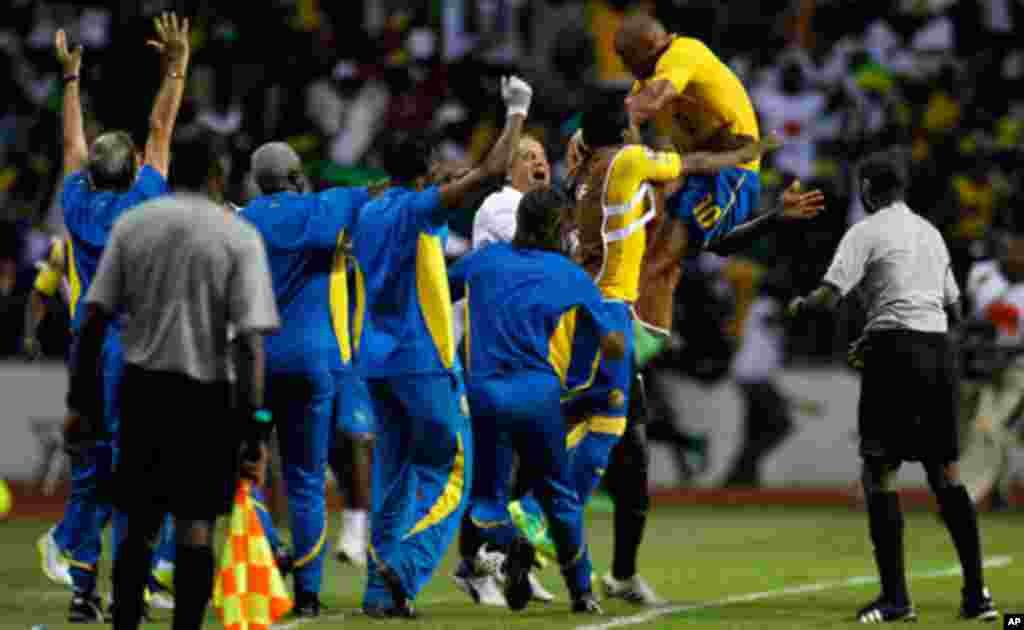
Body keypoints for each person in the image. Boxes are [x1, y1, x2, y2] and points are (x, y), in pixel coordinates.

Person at [787, 149, 999, 623]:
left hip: (896, 354)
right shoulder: (931, 234)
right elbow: (954, 309)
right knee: (947, 474)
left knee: (879, 471)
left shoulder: (865, 231)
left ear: (866, 190)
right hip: (939, 352)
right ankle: (978, 596)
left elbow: (827, 299)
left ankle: (896, 599)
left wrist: (799, 307)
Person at [347, 76, 533, 619]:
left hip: (378, 361)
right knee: (452, 469)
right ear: (426, 172)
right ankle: (401, 573)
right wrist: (516, 111)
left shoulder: (370, 210)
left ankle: (379, 594)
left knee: (396, 479)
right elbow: (491, 174)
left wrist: (444, 174)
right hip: (421, 361)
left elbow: (455, 179)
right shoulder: (413, 211)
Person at [43, 14, 189, 622]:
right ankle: (133, 583)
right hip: (142, 347)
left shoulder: (76, 202)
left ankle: (83, 591)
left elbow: (72, 146)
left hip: (90, 342)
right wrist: (176, 65)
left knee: (92, 469)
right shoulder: (147, 196)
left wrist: (72, 78)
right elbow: (160, 123)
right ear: (133, 166)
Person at [450, 186, 626, 615]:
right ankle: (582, 594)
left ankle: (513, 545)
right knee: (559, 496)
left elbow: (434, 292)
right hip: (540, 395)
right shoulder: (569, 275)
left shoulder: (482, 262)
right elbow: (614, 345)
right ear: (557, 226)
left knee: (486, 499)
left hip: (486, 394)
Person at [239, 142, 373, 617]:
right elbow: (373, 193)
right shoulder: (325, 205)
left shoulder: (241, 219)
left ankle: (272, 549)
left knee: (246, 474)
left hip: (255, 361)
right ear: (297, 176)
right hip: (314, 359)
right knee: (307, 479)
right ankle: (310, 595)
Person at [615, 13, 764, 251]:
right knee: (654, 245)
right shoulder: (646, 79)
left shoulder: (683, 52)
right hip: (695, 172)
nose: (623, 66)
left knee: (666, 251)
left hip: (732, 172)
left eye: (627, 56)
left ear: (651, 46)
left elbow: (646, 104)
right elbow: (628, 129)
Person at [471, 134, 551, 249]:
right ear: (509, 171)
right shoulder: (499, 202)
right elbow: (531, 248)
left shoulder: (549, 205)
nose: (540, 162)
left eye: (544, 157)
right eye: (529, 157)